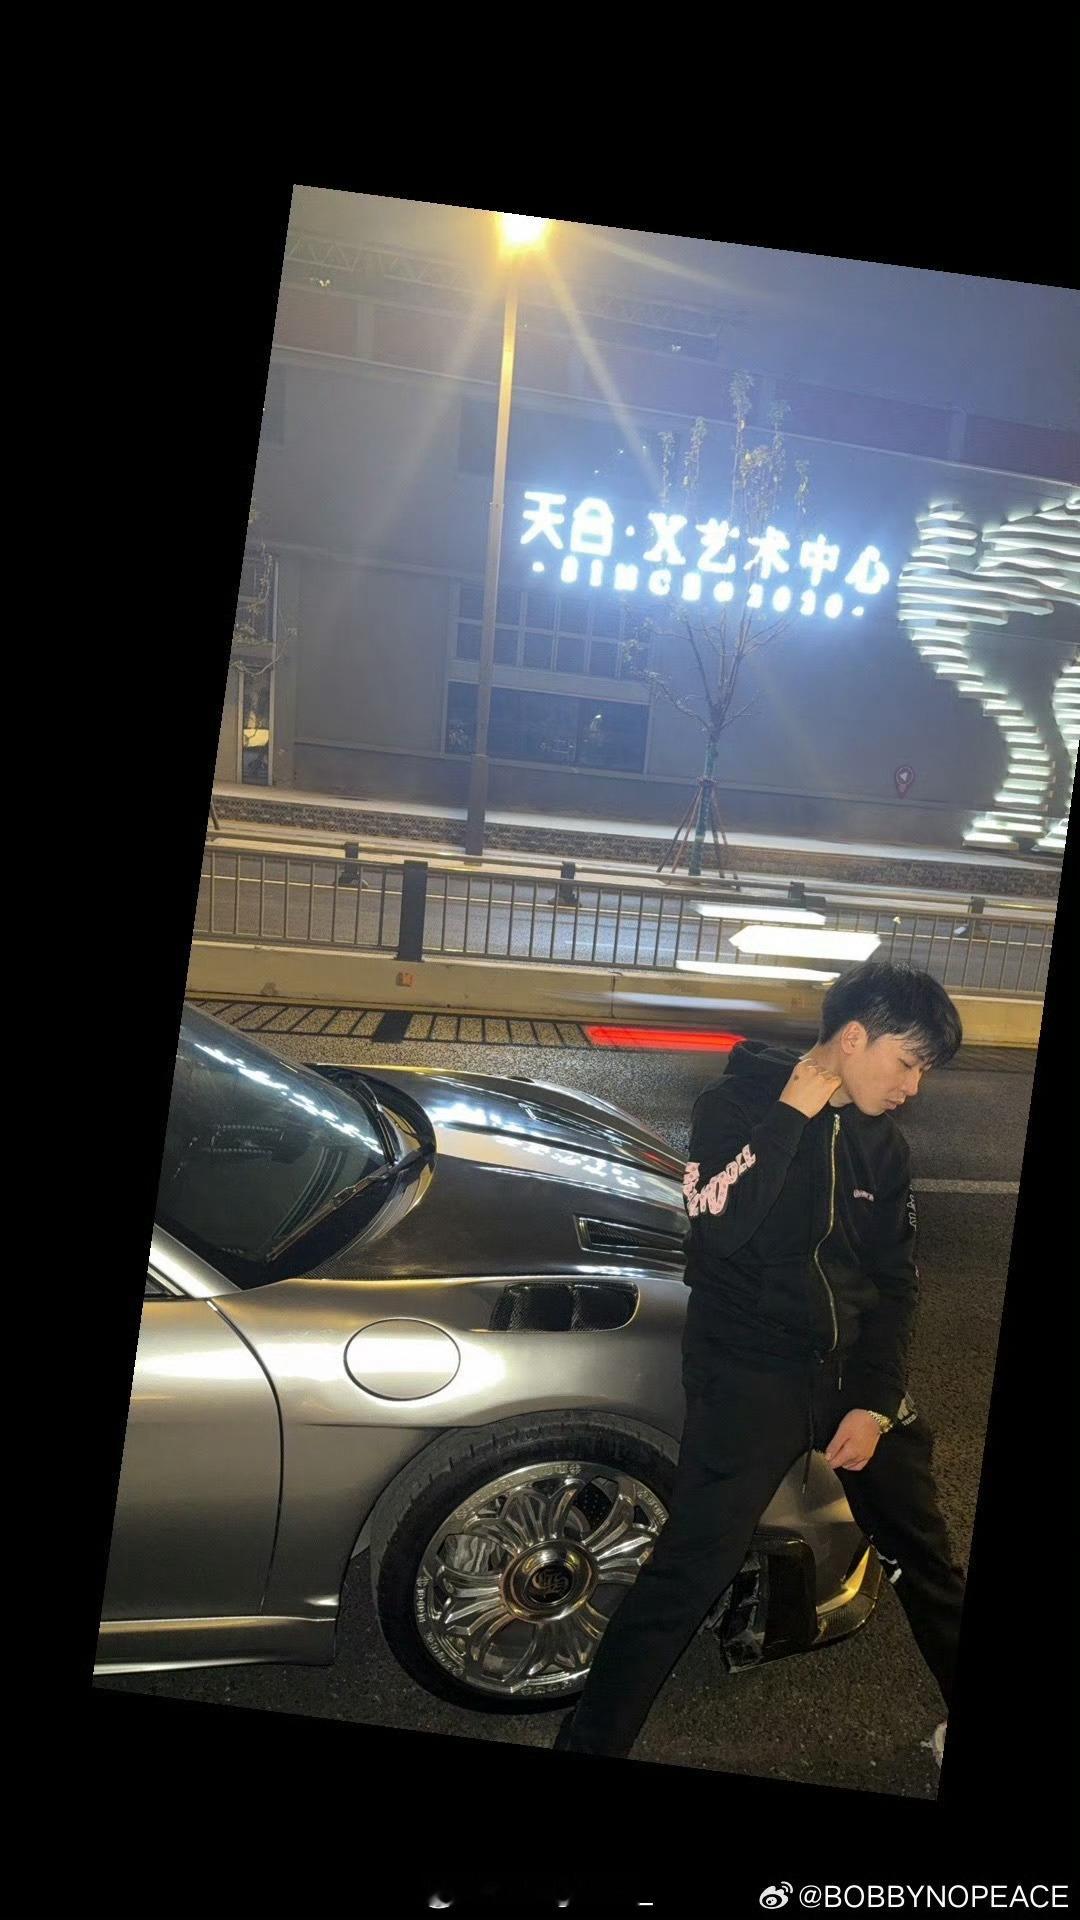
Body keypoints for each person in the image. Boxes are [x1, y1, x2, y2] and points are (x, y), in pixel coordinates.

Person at [553, 959, 966, 1771]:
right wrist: (788, 1116)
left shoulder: (885, 1146)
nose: (912, 1087)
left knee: (926, 1558)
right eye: (907, 1063)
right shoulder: (735, 1105)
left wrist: (874, 1402)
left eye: (923, 1072)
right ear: (855, 1037)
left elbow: (894, 1285)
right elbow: (718, 1226)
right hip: (747, 1374)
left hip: (848, 1377)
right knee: (687, 1574)